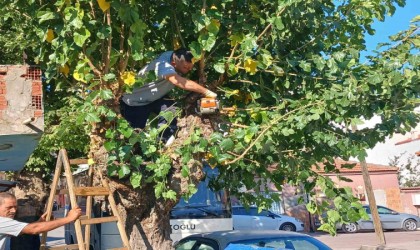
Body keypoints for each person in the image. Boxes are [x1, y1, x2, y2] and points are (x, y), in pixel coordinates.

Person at [120, 48, 217, 146]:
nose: (189, 70)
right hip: (135, 103)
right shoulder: (162, 65)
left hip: (154, 98)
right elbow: (178, 81)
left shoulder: (175, 55)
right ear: (174, 64)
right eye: (186, 68)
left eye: (190, 67)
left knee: (171, 110)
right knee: (135, 137)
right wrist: (206, 91)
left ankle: (163, 141)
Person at [0, 192, 82, 250]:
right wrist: (68, 218)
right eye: (9, 207)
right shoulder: (2, 222)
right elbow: (34, 229)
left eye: (15, 207)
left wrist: (40, 221)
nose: (13, 211)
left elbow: (22, 230)